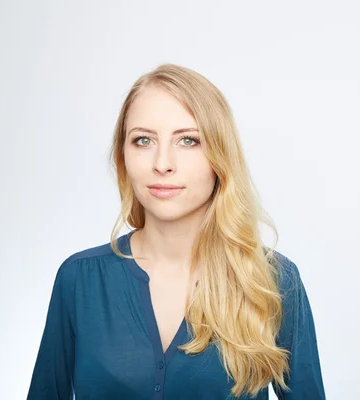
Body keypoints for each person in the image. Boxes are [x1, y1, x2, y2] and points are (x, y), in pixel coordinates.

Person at [27, 64, 326, 399]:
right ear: (123, 156)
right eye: (143, 140)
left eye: (188, 140)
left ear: (219, 155)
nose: (162, 163)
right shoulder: (79, 280)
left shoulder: (272, 281)